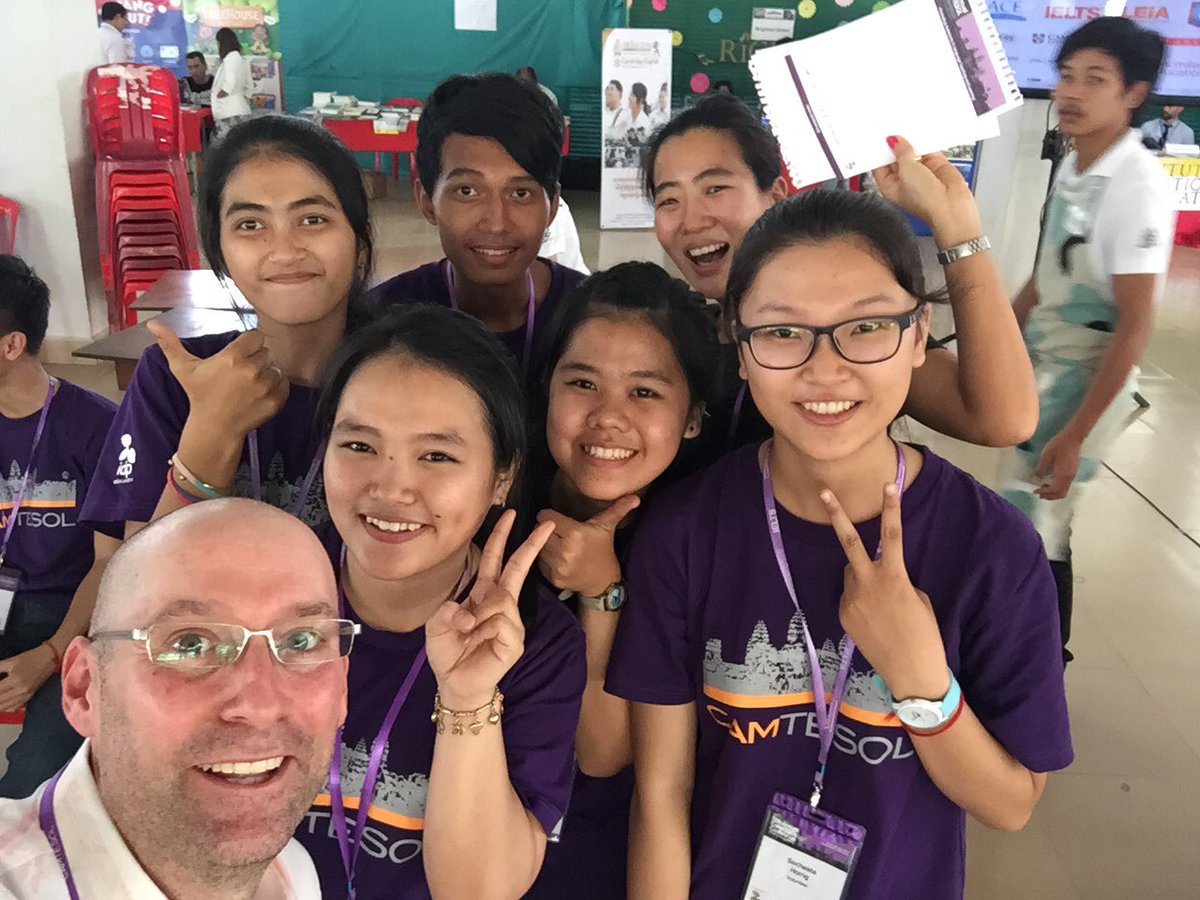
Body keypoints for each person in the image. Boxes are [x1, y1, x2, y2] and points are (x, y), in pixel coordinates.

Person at [606, 188, 1073, 900]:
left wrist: (923, 683)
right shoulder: (684, 534)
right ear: (739, 341)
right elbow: (663, 791)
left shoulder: (993, 550)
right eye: (784, 333)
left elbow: (1011, 804)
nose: (825, 371)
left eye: (866, 328)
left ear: (919, 336)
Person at [295, 305, 585, 898]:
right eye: (358, 444)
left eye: (436, 456)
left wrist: (468, 695)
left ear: (501, 477)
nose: (392, 487)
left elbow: (478, 890)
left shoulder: (534, 644)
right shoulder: (270, 588)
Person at [74, 115, 376, 662]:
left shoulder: (400, 381)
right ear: (220, 251)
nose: (284, 250)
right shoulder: (173, 375)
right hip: (206, 654)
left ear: (358, 239)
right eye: (250, 226)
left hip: (359, 654)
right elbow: (132, 573)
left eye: (312, 218)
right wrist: (209, 433)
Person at [642, 93, 1039, 449]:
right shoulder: (675, 333)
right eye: (669, 200)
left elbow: (1003, 421)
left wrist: (957, 227)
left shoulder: (854, 327)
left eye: (715, 189)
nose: (691, 221)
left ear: (775, 195)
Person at [0, 498, 352, 898]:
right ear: (84, 688)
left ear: (342, 686)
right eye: (189, 644)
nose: (259, 706)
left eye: (300, 640)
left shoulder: (293, 872)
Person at [524, 262, 718, 899]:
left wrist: (602, 594)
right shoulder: (488, 506)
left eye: (645, 392)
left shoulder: (692, 544)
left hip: (596, 857)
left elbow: (602, 754)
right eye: (582, 382)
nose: (608, 417)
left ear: (692, 418)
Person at [1008, 17, 1175, 662]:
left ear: (1134, 94)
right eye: (1067, 76)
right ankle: (1026, 652)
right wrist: (990, 341)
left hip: (1084, 380)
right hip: (1045, 367)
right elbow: (1043, 278)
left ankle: (1040, 663)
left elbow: (1134, 324)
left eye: (1095, 80)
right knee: (1033, 523)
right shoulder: (1078, 165)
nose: (1072, 92)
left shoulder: (1136, 187)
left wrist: (1077, 432)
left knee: (1039, 525)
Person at [370, 73, 584, 385]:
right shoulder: (381, 321)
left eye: (521, 193)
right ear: (427, 200)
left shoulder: (589, 318)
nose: (497, 223)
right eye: (467, 191)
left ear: (552, 205)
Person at [0, 257, 119, 799]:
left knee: (39, 772)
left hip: (70, 616)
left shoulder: (97, 427)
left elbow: (110, 563)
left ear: (12, 345)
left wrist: (48, 655)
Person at [212, 27, 252, 130]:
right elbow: (249, 86)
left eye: (218, 43)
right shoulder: (242, 60)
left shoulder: (231, 58)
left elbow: (230, 81)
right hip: (241, 108)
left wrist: (222, 93)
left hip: (229, 110)